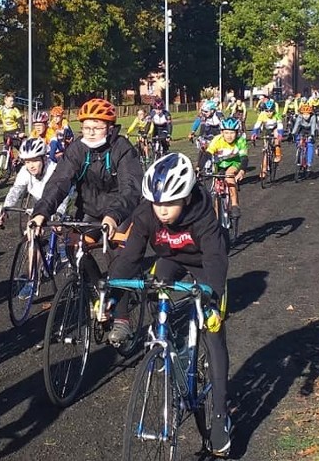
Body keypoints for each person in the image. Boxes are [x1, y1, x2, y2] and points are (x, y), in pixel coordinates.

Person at [107, 153, 232, 456]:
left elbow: (216, 259)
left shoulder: (203, 215)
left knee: (213, 329)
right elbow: (129, 257)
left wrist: (212, 296)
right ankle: (170, 352)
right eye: (156, 203)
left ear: (187, 197)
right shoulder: (147, 214)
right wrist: (111, 291)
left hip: (204, 263)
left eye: (170, 204)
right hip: (169, 260)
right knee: (153, 287)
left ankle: (219, 416)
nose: (162, 211)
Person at [29, 98, 143, 284]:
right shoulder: (77, 149)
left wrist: (114, 216)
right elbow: (59, 182)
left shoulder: (122, 148)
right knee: (74, 250)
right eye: (86, 127)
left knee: (118, 258)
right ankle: (97, 290)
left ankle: (120, 304)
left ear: (110, 127)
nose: (90, 133)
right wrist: (41, 212)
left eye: (96, 128)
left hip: (120, 212)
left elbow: (131, 188)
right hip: (90, 210)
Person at [0, 137, 70, 296]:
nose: (31, 165)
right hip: (39, 203)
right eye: (27, 161)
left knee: (59, 226)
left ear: (44, 158)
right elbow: (16, 190)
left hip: (58, 200)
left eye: (35, 160)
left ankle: (63, 243)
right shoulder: (24, 171)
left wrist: (58, 214)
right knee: (32, 238)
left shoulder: (55, 170)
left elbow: (64, 196)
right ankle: (32, 280)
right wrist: (5, 209)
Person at [200, 117, 248, 217]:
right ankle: (217, 216)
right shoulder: (217, 140)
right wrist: (199, 168)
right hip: (218, 164)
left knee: (229, 177)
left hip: (234, 163)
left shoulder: (240, 141)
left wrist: (242, 171)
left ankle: (235, 204)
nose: (229, 136)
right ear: (222, 132)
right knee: (216, 189)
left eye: (232, 133)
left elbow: (244, 158)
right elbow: (208, 155)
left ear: (237, 132)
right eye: (226, 133)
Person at [250, 100, 284, 173]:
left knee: (276, 136)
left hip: (275, 128)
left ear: (274, 110)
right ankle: (264, 169)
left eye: (271, 111)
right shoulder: (262, 114)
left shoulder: (277, 114)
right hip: (266, 129)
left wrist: (280, 134)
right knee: (265, 149)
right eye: (267, 111)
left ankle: (278, 154)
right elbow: (257, 125)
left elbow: (280, 125)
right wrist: (254, 133)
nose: (269, 113)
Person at [189, 99, 223, 172]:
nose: (204, 113)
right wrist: (192, 132)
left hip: (218, 132)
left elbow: (224, 126)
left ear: (212, 110)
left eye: (206, 111)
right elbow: (197, 122)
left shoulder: (219, 115)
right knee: (203, 148)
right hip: (208, 132)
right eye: (203, 111)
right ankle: (198, 168)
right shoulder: (203, 116)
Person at [290, 103, 317, 174]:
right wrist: (292, 133)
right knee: (298, 140)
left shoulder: (313, 117)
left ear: (310, 114)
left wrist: (312, 135)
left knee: (310, 144)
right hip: (302, 129)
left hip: (310, 129)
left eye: (307, 114)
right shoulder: (299, 117)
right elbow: (296, 125)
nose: (305, 116)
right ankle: (299, 152)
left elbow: (313, 126)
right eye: (304, 114)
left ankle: (309, 163)